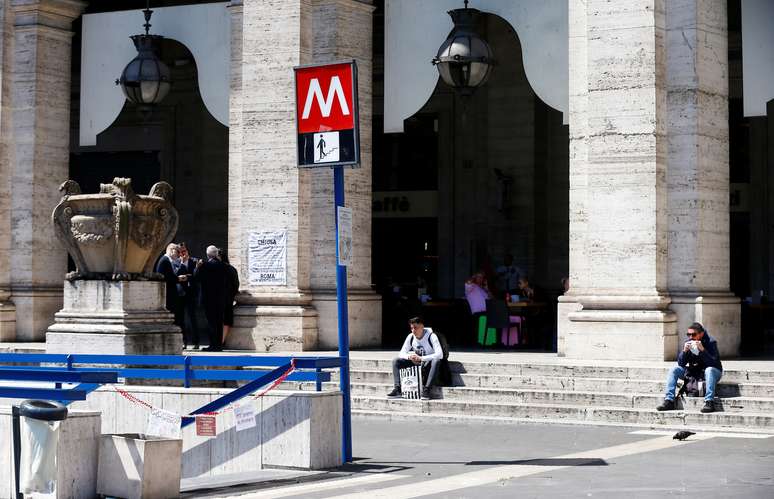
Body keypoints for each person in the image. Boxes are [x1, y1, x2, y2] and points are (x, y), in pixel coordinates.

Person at [656, 322, 723, 413]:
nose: (691, 337)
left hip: (713, 372)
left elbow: (713, 363)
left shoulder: (711, 342)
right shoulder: (688, 343)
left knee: (709, 370)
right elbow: (681, 363)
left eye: (693, 334)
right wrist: (684, 352)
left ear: (701, 334)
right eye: (689, 334)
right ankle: (669, 400)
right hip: (694, 372)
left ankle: (709, 402)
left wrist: (702, 350)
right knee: (674, 370)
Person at [387, 317, 444, 400]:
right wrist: (409, 357)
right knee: (396, 361)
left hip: (429, 365)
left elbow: (440, 354)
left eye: (415, 328)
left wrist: (422, 358)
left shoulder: (432, 336)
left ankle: (426, 390)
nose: (413, 330)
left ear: (422, 326)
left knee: (436, 361)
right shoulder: (411, 336)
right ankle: (398, 389)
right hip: (417, 363)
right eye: (411, 328)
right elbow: (401, 353)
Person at [195, 245, 227, 352]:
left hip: (209, 299)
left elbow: (196, 278)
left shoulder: (205, 265)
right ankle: (218, 345)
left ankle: (213, 345)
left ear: (208, 254)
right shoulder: (223, 265)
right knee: (218, 322)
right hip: (220, 298)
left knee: (211, 323)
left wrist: (197, 267)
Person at [176, 243, 200, 350]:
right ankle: (183, 342)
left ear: (187, 251)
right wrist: (181, 264)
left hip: (191, 293)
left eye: (184, 251)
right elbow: (176, 275)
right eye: (180, 252)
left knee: (192, 318)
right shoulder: (177, 263)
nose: (183, 254)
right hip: (180, 294)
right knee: (181, 319)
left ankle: (196, 342)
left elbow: (197, 277)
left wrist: (188, 276)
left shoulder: (194, 261)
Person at [465, 273, 494, 346]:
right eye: (479, 277)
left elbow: (492, 299)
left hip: (486, 312)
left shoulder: (483, 289)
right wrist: (473, 277)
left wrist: (487, 289)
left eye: (482, 277)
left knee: (497, 315)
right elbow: (467, 282)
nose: (481, 279)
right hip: (477, 313)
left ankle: (493, 341)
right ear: (475, 277)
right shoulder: (471, 287)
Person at [218, 248, 240, 345]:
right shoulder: (232, 269)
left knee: (218, 320)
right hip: (228, 299)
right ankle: (222, 341)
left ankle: (219, 341)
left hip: (218, 299)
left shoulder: (216, 268)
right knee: (226, 320)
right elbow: (236, 285)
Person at [156, 243, 180, 319]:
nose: (178, 254)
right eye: (177, 252)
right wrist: (178, 279)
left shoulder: (166, 260)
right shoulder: (165, 261)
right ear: (172, 250)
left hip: (168, 292)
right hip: (168, 293)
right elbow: (167, 278)